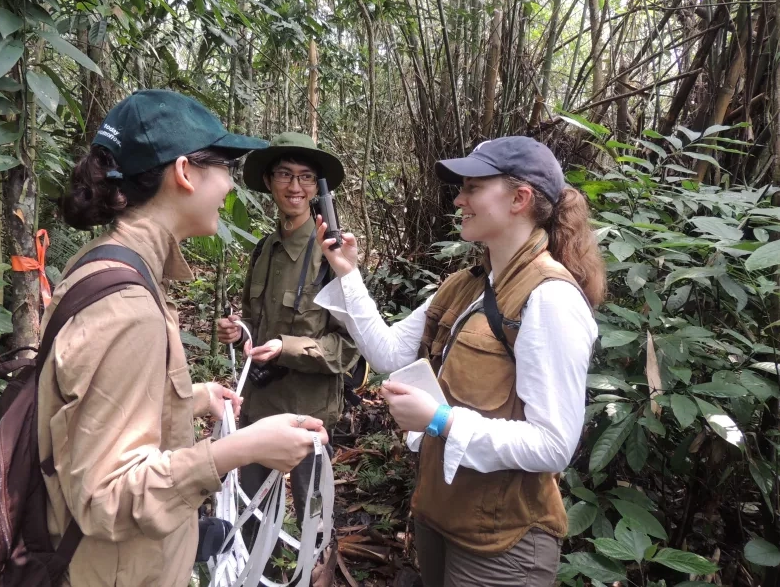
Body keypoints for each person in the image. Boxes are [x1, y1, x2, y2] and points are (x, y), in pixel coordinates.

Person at [39, 90, 329, 587]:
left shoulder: (106, 262)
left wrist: (191, 400)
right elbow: (106, 495)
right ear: (185, 173)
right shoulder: (129, 307)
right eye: (223, 168)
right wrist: (234, 453)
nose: (227, 188)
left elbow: (95, 407)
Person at [314, 136, 606, 587]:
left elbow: (554, 445)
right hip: (440, 514)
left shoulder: (550, 299)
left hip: (503, 542)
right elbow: (387, 352)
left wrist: (441, 421)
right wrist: (346, 272)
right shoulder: (463, 286)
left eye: (472, 187)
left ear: (519, 198)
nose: (459, 199)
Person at [216, 132, 358, 545]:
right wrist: (236, 331)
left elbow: (347, 347)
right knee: (250, 509)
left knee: (314, 515)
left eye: (306, 178)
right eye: (284, 175)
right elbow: (255, 325)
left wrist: (285, 347)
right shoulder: (264, 250)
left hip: (308, 411)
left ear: (317, 189)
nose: (294, 187)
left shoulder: (332, 254)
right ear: (270, 182)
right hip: (259, 406)